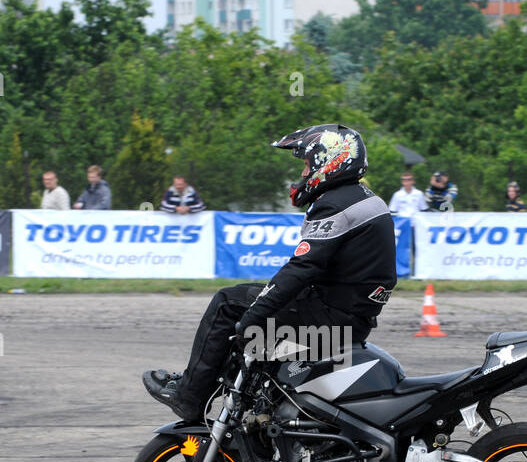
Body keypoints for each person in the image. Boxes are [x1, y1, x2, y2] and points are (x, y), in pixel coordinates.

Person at [143, 123, 397, 423]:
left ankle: (190, 396)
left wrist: (252, 315)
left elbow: (301, 269)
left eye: (305, 165)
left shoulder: (336, 205)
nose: (303, 174)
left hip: (331, 326)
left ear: (328, 161)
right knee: (256, 324)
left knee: (228, 303)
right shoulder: (363, 199)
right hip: (350, 321)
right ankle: (257, 406)